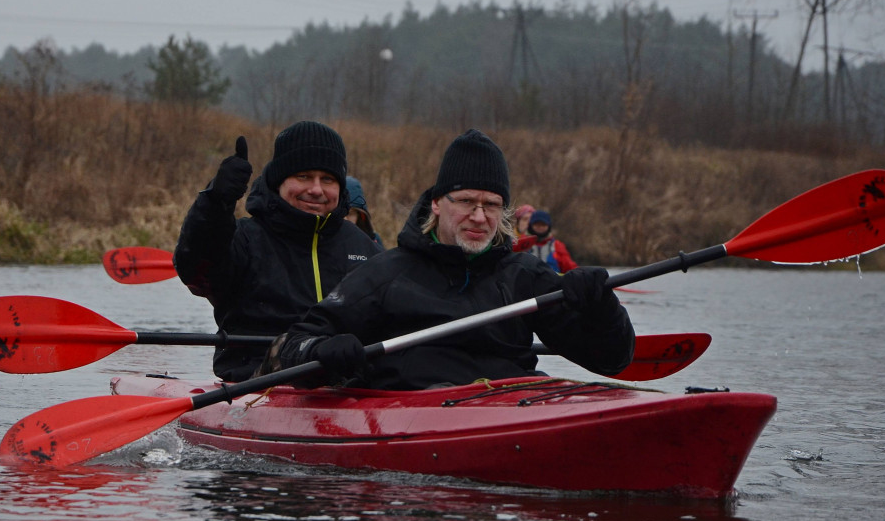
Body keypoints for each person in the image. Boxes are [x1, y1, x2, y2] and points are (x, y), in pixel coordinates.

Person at [274, 128, 635, 391]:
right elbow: (292, 345)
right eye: (465, 202)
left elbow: (612, 360)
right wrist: (322, 351)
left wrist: (602, 307)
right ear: (437, 204)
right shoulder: (386, 274)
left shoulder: (525, 277)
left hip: (513, 404)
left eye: (491, 205)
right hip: (416, 414)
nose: (479, 217)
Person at [173, 121, 383, 382]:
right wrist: (216, 203)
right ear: (278, 182)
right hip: (260, 380)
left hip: (348, 384)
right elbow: (195, 271)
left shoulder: (361, 245)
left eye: (327, 179)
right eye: (304, 176)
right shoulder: (245, 239)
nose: (316, 189)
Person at [513, 209, 578, 273]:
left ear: (548, 226)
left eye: (543, 224)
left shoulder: (557, 246)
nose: (540, 227)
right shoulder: (521, 242)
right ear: (530, 225)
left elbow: (571, 268)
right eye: (537, 224)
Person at [345, 176, 383, 246]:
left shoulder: (373, 242)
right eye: (341, 213)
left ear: (359, 215)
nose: (345, 219)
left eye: (350, 214)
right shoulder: (323, 242)